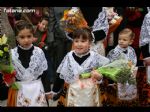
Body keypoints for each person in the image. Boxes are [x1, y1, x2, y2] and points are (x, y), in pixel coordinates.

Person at [51, 27, 110, 106]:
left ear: (89, 43)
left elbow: (105, 72)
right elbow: (61, 74)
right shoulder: (69, 56)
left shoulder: (95, 56)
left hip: (90, 93)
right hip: (73, 91)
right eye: (76, 41)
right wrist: (55, 90)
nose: (79, 44)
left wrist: (99, 76)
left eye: (83, 41)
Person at [7, 20, 51, 107]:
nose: (26, 40)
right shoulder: (11, 54)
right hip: (20, 92)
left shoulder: (39, 52)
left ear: (33, 36)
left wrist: (47, 91)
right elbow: (9, 76)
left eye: (29, 36)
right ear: (17, 38)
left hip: (37, 90)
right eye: (22, 37)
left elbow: (45, 74)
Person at [107, 28, 137, 103]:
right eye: (119, 39)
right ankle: (121, 99)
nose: (121, 41)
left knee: (130, 85)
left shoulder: (131, 49)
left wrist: (132, 65)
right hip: (120, 73)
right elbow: (112, 62)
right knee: (121, 86)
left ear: (130, 42)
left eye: (124, 40)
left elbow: (134, 58)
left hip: (130, 71)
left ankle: (130, 97)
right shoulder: (115, 51)